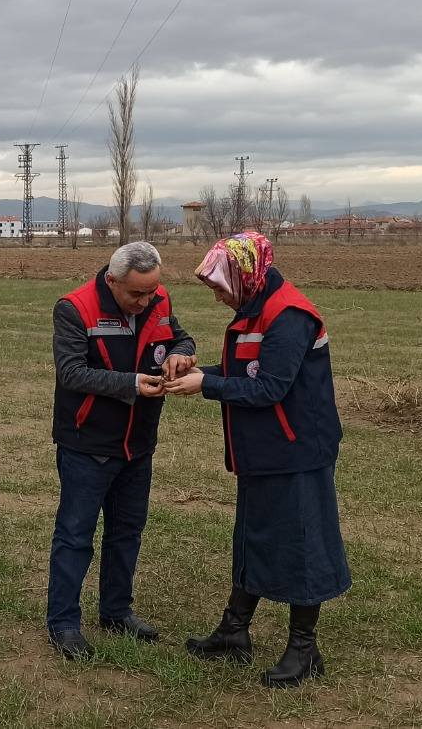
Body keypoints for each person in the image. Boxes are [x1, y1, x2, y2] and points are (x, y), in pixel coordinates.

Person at [162, 232, 352, 689]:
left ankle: (305, 649)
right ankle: (234, 630)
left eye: (218, 287)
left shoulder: (287, 316)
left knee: (302, 546)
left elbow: (270, 388)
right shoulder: (252, 309)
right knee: (252, 537)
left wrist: (205, 387)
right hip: (262, 451)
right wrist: (198, 371)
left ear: (244, 276)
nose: (216, 297)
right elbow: (242, 371)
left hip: (297, 451)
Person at [47, 241, 197, 660]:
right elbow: (72, 372)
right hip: (88, 444)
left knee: (127, 531)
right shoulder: (75, 308)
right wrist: (132, 383)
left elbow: (181, 338)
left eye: (152, 292)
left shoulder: (158, 300)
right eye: (136, 294)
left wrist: (182, 356)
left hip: (139, 443)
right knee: (75, 536)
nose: (146, 301)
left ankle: (116, 611)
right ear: (112, 281)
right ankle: (63, 623)